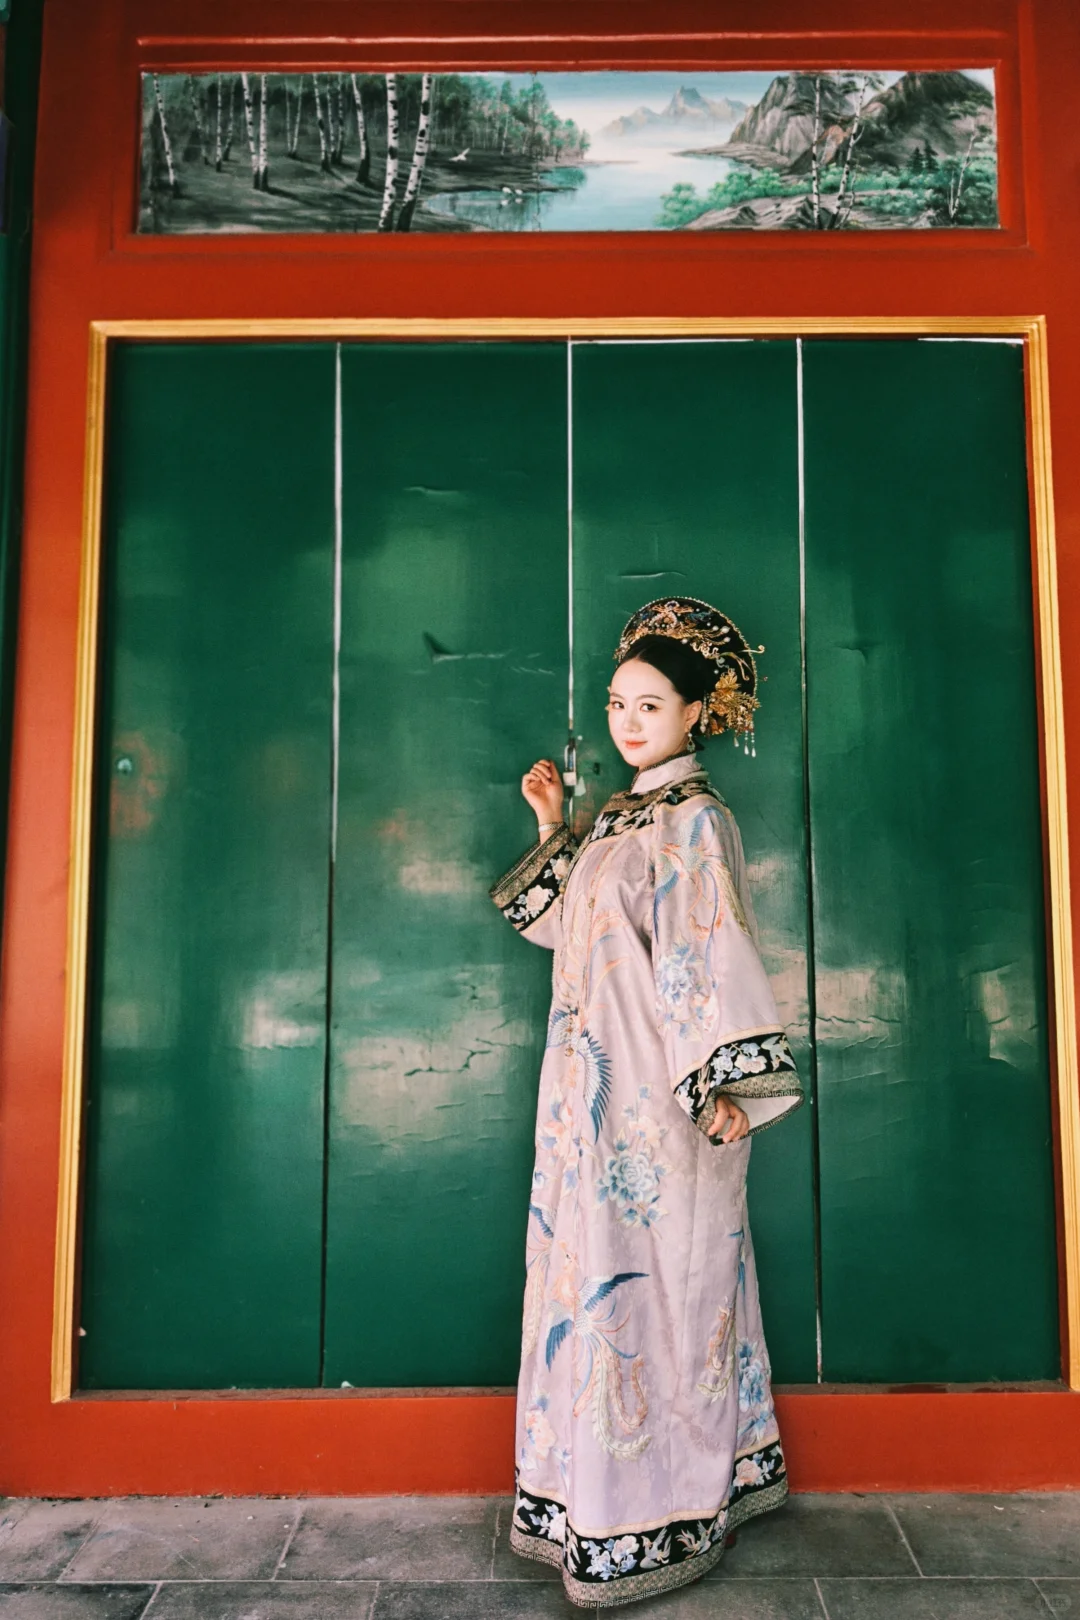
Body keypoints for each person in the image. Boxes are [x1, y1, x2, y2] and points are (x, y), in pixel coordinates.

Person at [490, 596, 804, 1609]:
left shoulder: (698, 820)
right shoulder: (624, 819)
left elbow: (709, 956)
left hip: (662, 1107)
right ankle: (592, 1500)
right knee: (596, 1289)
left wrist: (726, 1088)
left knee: (664, 1290)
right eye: (618, 703)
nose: (628, 721)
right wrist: (555, 829)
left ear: (695, 713)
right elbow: (574, 932)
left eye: (651, 705)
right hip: (590, 1100)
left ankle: (666, 1509)